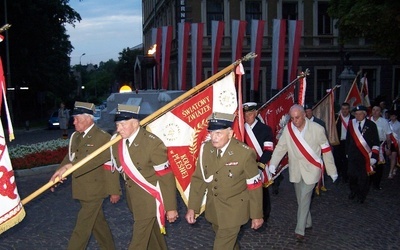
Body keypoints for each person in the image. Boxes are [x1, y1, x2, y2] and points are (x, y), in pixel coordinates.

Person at [185, 112, 263, 249]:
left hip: (234, 211)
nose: (214, 138)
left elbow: (254, 186)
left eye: (219, 133)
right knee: (229, 245)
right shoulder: (206, 149)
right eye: (211, 133)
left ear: (230, 133)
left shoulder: (244, 153)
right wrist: (192, 207)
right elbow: (199, 180)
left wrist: (257, 215)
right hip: (214, 210)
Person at [50, 101, 121, 250]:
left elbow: (109, 165)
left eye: (77, 119)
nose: (73, 121)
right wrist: (58, 172)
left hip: (95, 190)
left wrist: (114, 190)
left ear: (88, 119)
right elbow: (69, 158)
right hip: (81, 188)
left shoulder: (102, 138)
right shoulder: (76, 136)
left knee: (81, 228)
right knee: (98, 224)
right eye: (74, 118)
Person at [110, 104, 178, 250]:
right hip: (133, 199)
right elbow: (100, 158)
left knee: (138, 243)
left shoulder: (152, 143)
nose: (118, 129)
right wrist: (68, 166)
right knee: (154, 238)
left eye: (122, 124)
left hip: (150, 200)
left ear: (135, 123)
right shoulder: (117, 140)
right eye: (117, 124)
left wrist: (171, 207)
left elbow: (165, 176)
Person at [268, 104, 337, 242]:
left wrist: (332, 170)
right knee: (301, 199)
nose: (295, 121)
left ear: (304, 115)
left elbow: (326, 150)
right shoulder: (288, 130)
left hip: (312, 169)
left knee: (305, 197)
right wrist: (273, 163)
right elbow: (281, 147)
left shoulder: (317, 129)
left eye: (297, 117)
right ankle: (308, 221)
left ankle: (300, 230)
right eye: (292, 118)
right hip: (296, 170)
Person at [243, 102, 274, 222]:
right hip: (245, 166)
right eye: (245, 114)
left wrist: (260, 165)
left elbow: (268, 150)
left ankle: (264, 215)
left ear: (256, 113)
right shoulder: (240, 128)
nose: (247, 117)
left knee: (262, 192)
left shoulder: (265, 129)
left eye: (250, 114)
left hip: (260, 165)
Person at [346, 105, 379, 204]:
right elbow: (348, 139)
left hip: (365, 156)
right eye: (356, 114)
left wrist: (374, 157)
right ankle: (353, 191)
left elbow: (376, 142)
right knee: (352, 175)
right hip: (353, 155)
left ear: (364, 114)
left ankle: (361, 195)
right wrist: (347, 152)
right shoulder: (351, 124)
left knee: (363, 177)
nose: (358, 116)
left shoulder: (371, 125)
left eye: (360, 114)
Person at [369, 105, 392, 189]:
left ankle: (376, 183)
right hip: (368, 145)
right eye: (373, 110)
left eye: (377, 110)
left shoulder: (384, 122)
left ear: (380, 112)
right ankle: (368, 181)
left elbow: (388, 136)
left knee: (378, 166)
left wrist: (389, 148)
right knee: (370, 163)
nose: (375, 112)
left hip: (380, 145)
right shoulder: (368, 120)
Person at [333, 102, 354, 183]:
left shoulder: (353, 119)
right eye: (343, 109)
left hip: (348, 142)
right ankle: (338, 174)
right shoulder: (336, 118)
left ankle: (345, 176)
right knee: (337, 159)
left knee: (346, 160)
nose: (344, 111)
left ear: (349, 109)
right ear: (341, 110)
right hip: (338, 142)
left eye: (346, 109)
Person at [388, 110, 400, 179]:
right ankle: (394, 167)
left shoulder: (399, 124)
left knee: (393, 157)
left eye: (393, 116)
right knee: (390, 157)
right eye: (391, 116)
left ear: (396, 117)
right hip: (389, 142)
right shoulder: (388, 123)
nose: (392, 117)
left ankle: (390, 172)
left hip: (396, 142)